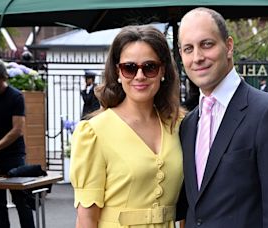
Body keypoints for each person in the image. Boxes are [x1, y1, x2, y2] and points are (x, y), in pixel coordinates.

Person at [178, 7, 268, 227]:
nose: (197, 57)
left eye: (207, 44)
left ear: (229, 46)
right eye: (189, 49)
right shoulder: (188, 124)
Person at [70, 25, 185, 228]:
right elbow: (86, 219)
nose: (139, 76)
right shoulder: (94, 133)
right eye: (129, 68)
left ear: (163, 70)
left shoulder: (179, 125)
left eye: (149, 67)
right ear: (118, 72)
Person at [0, 59, 35, 228]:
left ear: (4, 78)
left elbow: (17, 130)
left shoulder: (15, 97)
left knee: (21, 200)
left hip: (13, 155)